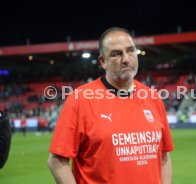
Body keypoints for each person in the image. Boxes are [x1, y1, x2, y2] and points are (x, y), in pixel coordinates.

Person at [48, 27, 174, 184]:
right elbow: (56, 161)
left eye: (131, 50)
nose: (126, 59)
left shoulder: (153, 98)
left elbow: (163, 157)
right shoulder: (80, 99)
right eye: (116, 54)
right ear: (103, 61)